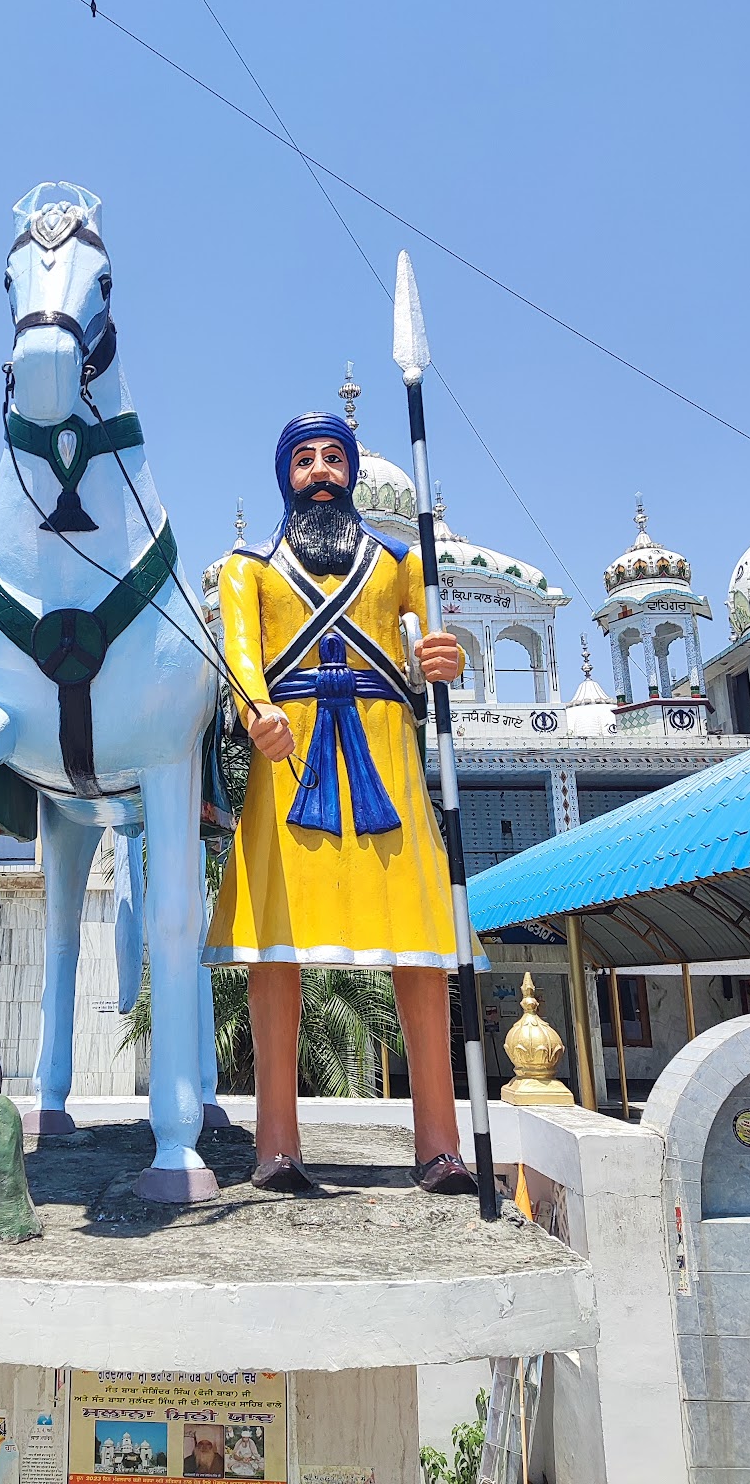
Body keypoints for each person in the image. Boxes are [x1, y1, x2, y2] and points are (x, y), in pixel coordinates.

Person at [204, 411, 487, 1194]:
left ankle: (439, 1143)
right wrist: (254, 711)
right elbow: (239, 655)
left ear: (353, 472)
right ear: (284, 475)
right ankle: (277, 1144)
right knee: (275, 949)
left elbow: (429, 640)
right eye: (304, 459)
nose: (320, 470)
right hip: (288, 757)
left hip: (385, 754)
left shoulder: (398, 563)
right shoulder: (248, 569)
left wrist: (442, 653)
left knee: (422, 947)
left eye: (334, 458)